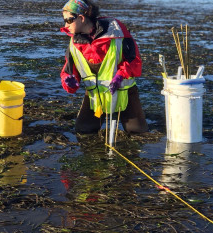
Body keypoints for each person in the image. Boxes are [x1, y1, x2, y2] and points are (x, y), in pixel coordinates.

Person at [60, 0, 148, 134]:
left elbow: (134, 60)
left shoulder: (117, 33)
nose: (66, 25)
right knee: (83, 130)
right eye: (65, 20)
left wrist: (120, 76)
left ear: (82, 18)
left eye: (69, 20)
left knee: (138, 132)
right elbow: (68, 72)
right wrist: (70, 82)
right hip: (95, 96)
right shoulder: (74, 44)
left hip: (124, 92)